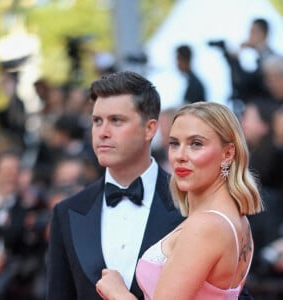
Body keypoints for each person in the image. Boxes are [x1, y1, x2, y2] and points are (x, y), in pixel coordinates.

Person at [96, 101, 263, 299]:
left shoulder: (206, 226)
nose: (180, 156)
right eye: (174, 143)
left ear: (227, 154)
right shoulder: (237, 220)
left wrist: (115, 291)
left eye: (196, 144)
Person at [46, 71, 184, 300]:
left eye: (116, 120)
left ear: (150, 129)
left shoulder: (190, 204)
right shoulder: (67, 212)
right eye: (97, 121)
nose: (103, 132)